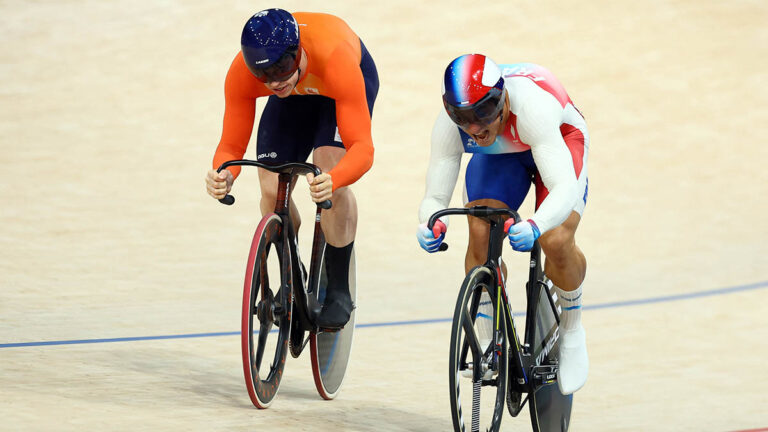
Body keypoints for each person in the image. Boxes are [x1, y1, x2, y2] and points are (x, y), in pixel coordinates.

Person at [417, 54, 589, 395]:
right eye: (463, 118)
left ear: (502, 99)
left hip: (557, 139)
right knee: (480, 231)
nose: (475, 128)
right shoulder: (452, 125)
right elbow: (435, 197)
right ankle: (489, 334)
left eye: (482, 114)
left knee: (555, 240)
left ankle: (572, 328)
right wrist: (427, 223)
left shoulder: (532, 109)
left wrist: (538, 226)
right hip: (501, 153)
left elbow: (564, 188)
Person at [205, 8, 378, 329]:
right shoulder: (248, 74)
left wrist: (335, 179)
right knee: (271, 191)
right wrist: (223, 173)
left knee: (329, 171)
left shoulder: (336, 59)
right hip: (298, 95)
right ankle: (292, 269)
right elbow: (230, 147)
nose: (273, 81)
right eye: (263, 74)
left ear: (297, 52)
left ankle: (338, 288)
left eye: (281, 68)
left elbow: (363, 150)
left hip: (336, 83)